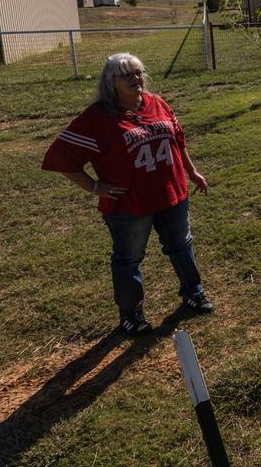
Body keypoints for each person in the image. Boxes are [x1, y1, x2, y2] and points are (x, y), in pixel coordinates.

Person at [42, 53, 214, 336]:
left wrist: (192, 172)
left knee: (181, 245)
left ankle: (193, 292)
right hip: (129, 206)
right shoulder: (98, 117)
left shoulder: (156, 103)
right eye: (127, 75)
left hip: (172, 194)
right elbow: (61, 157)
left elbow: (178, 139)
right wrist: (94, 187)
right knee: (129, 259)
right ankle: (131, 314)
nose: (136, 79)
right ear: (111, 82)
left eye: (139, 73)